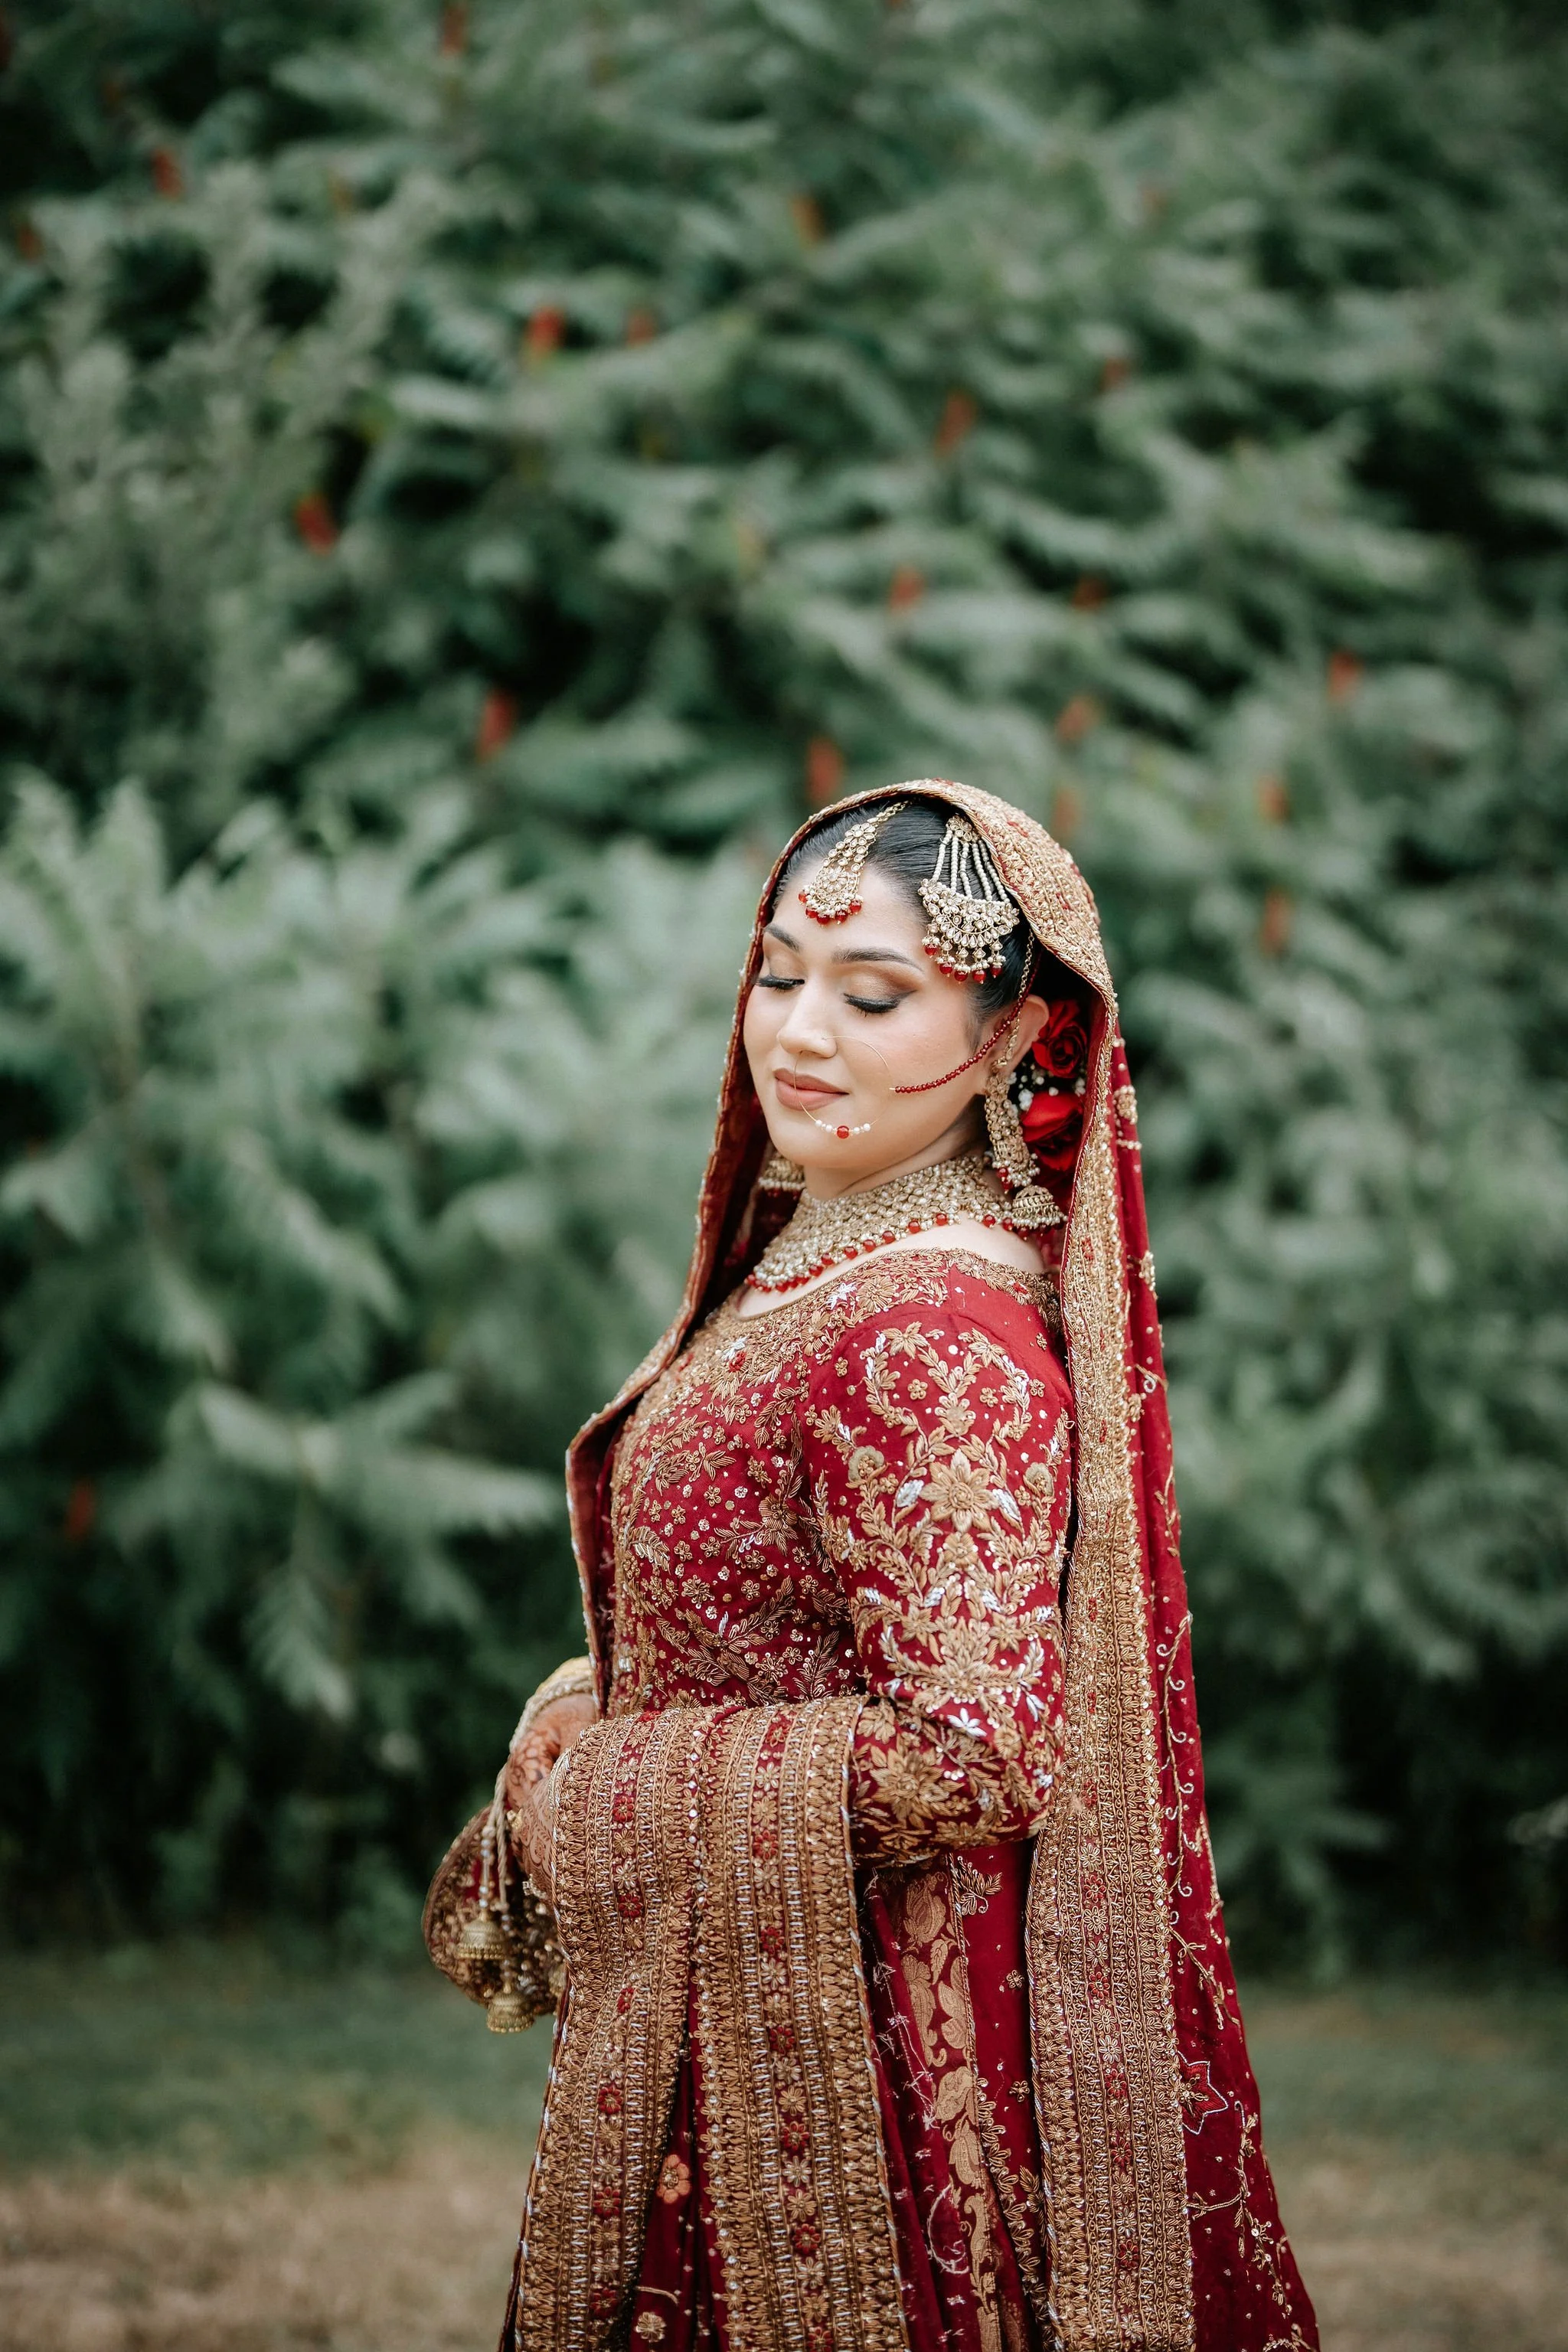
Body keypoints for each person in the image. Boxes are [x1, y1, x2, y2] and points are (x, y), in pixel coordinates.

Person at [433, 782, 1318, 2352]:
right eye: (780, 975)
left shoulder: (925, 1336)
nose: (800, 1032)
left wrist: (608, 1792)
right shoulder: (819, 1255)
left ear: (1004, 1039)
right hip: (739, 2010)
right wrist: (598, 1700)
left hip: (859, 2079)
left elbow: (974, 1756)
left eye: (874, 994)